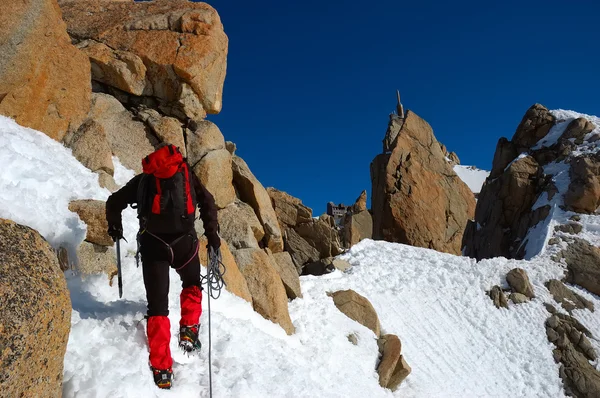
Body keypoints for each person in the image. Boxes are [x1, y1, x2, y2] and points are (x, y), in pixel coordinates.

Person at [105, 143, 220, 390]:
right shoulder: (186, 173)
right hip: (185, 244)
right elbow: (208, 203)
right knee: (191, 282)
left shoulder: (144, 180)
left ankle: (162, 368)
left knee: (157, 306)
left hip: (154, 246)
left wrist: (115, 227)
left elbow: (114, 202)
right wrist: (213, 237)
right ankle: (189, 329)